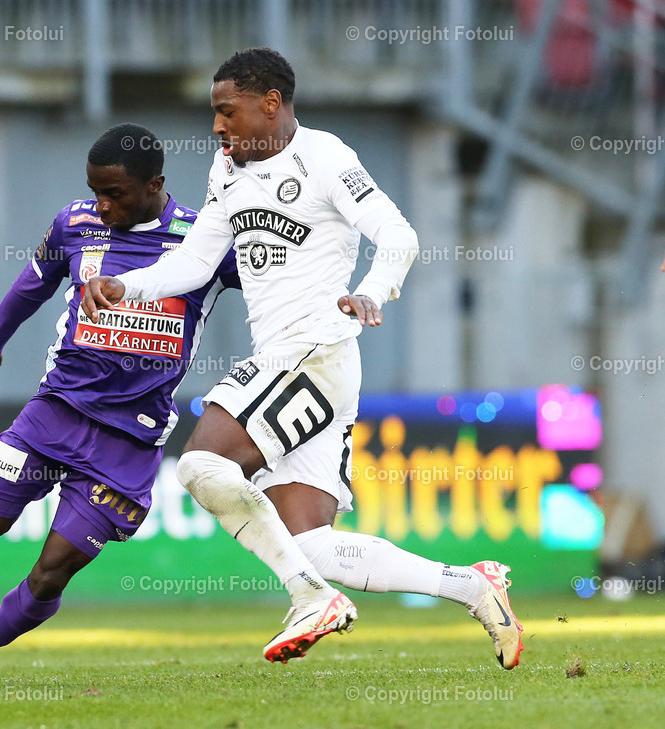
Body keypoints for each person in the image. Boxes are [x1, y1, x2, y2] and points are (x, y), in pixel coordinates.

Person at [82, 48, 525, 669]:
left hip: (313, 352)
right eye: (215, 114)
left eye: (226, 112)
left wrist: (373, 291)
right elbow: (194, 261)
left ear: (271, 104)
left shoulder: (325, 157)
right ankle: (472, 586)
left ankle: (311, 599)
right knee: (308, 541)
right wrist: (129, 288)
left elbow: (397, 235)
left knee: (201, 466)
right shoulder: (226, 169)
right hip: (303, 365)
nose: (218, 127)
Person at [0, 123, 241, 683]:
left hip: (126, 443)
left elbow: (270, 282)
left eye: (116, 195)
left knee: (50, 575)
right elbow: (33, 282)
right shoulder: (74, 224)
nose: (102, 206)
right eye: (95, 191)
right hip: (54, 413)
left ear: (154, 184)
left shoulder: (202, 241)